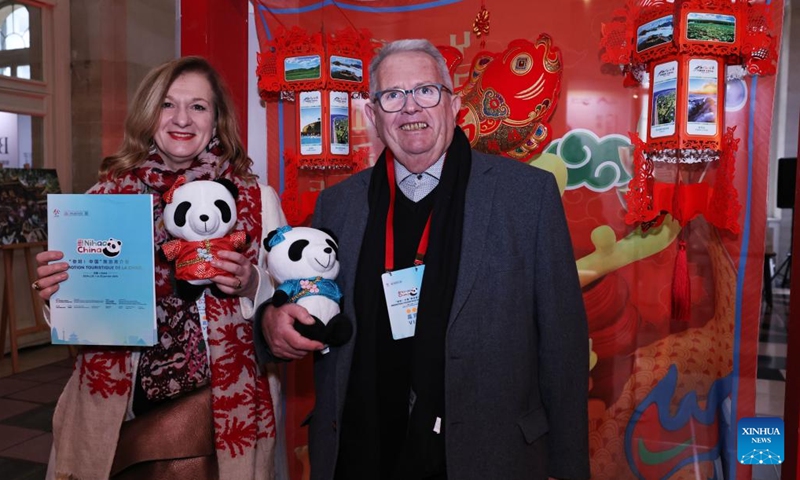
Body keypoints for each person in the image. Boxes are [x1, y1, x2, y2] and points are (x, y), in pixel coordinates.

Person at [258, 39, 590, 480]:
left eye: (426, 91)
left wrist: (569, 470)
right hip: (363, 454)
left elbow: (563, 348)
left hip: (486, 457)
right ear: (374, 115)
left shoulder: (526, 197)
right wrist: (270, 322)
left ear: (453, 105)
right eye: (392, 96)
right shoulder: (338, 206)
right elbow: (302, 296)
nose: (410, 108)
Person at [34, 56, 286, 480]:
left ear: (217, 119)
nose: (182, 119)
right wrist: (55, 292)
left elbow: (285, 301)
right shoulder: (105, 196)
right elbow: (72, 311)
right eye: (168, 104)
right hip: (122, 405)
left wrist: (250, 283)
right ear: (149, 114)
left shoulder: (256, 199)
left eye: (198, 106)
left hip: (222, 411)